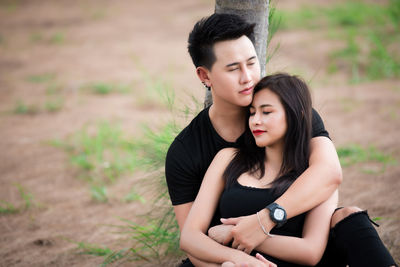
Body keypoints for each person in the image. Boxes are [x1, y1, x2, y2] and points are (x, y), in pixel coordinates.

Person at [165, 13, 341, 266]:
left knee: (350, 218)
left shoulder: (289, 116)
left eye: (251, 63)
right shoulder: (186, 151)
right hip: (226, 258)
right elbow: (194, 246)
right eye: (233, 68)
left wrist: (265, 220)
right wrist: (240, 262)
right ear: (205, 76)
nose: (248, 77)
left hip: (293, 246)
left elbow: (330, 172)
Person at [180, 73, 397, 267]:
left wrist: (240, 233)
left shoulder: (313, 177)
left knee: (353, 217)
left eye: (266, 112)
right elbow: (189, 237)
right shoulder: (228, 158)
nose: (255, 120)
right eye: (252, 112)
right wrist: (244, 259)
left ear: (296, 115)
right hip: (232, 263)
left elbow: (310, 252)